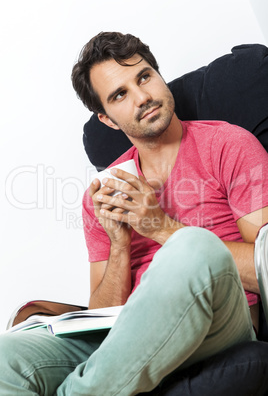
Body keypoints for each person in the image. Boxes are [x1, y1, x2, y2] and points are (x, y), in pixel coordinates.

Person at [0, 31, 268, 396]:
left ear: (158, 75)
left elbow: (264, 268)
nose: (142, 97)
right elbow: (102, 312)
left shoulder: (229, 146)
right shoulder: (104, 193)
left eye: (144, 77)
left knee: (192, 249)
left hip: (220, 320)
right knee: (7, 357)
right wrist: (120, 243)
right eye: (119, 95)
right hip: (128, 334)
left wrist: (160, 227)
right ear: (107, 119)